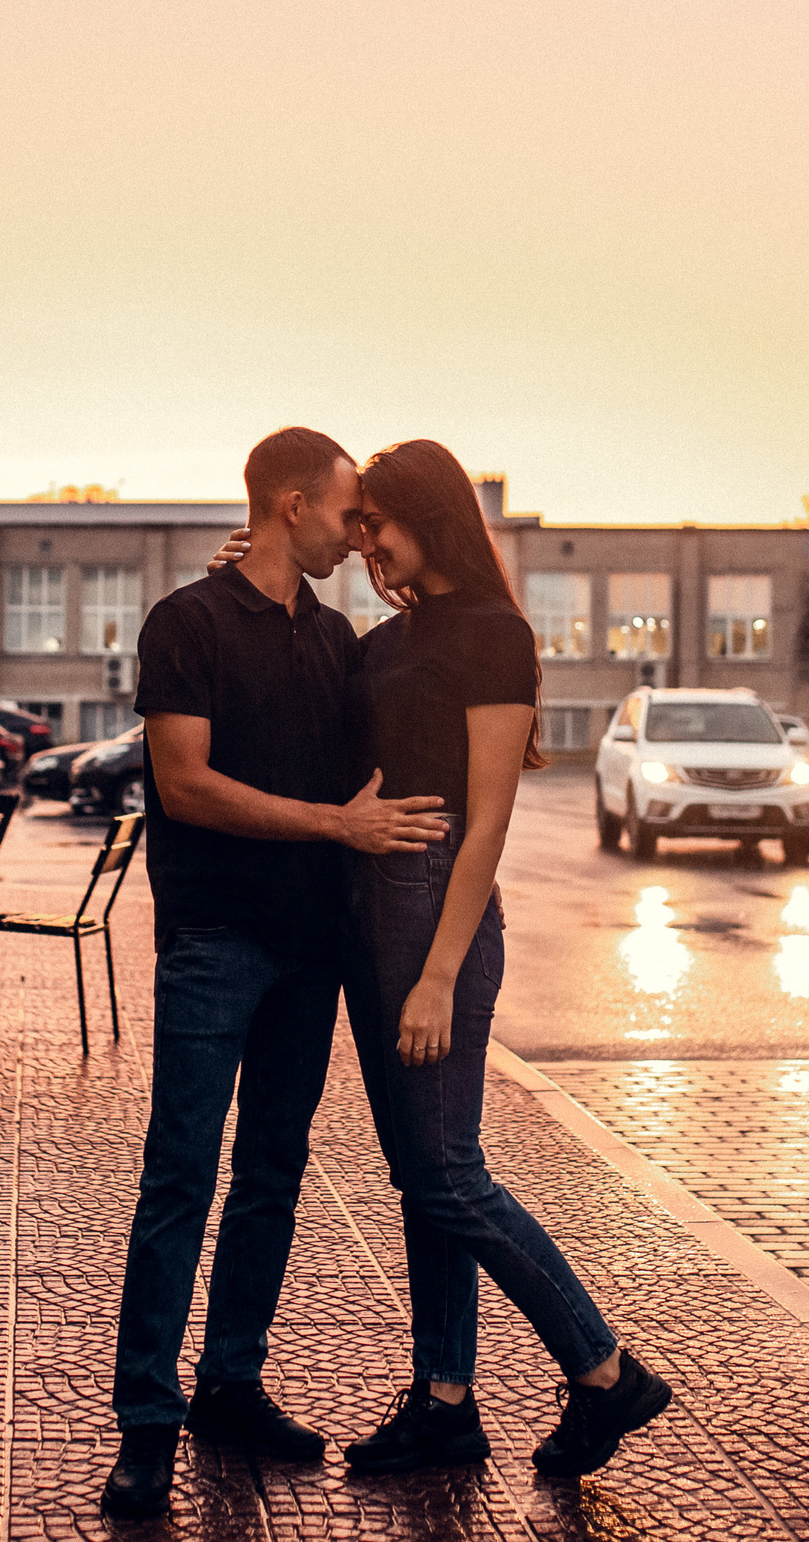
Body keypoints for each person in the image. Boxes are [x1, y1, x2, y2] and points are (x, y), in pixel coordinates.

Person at [208, 439, 671, 1480]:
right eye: (356, 520)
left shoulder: (493, 636)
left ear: (429, 516)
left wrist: (437, 972)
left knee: (450, 1173)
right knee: (422, 1177)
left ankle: (604, 1369)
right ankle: (445, 1398)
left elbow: (488, 818)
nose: (364, 536)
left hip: (433, 910)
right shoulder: (393, 638)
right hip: (366, 905)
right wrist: (242, 572)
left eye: (377, 520)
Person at [102, 427, 449, 1520]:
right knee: (179, 1177)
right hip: (213, 939)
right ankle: (147, 1424)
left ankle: (231, 1384)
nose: (357, 532)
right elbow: (187, 783)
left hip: (309, 954)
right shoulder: (186, 621)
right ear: (290, 503)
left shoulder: (338, 636)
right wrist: (332, 826)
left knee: (271, 1177)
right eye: (346, 511)